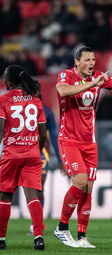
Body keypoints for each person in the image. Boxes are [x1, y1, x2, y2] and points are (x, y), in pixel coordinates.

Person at [53, 46, 112, 248]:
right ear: (77, 62)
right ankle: (62, 228)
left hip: (89, 142)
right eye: (87, 60)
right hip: (69, 139)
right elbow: (63, 91)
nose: (92, 63)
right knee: (80, 182)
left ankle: (82, 237)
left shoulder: (99, 77)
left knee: (88, 188)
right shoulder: (66, 75)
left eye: (93, 59)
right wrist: (92, 83)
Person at [0, 65, 47, 250]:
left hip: (12, 154)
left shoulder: (3, 100)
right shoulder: (36, 101)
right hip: (33, 154)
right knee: (33, 196)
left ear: (9, 82)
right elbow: (43, 135)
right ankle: (39, 237)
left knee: (5, 195)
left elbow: (1, 131)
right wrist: (35, 149)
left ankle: (1, 239)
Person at [27, 80, 65, 235]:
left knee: (39, 186)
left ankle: (35, 224)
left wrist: (61, 159)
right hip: (21, 151)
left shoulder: (46, 111)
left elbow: (55, 136)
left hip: (42, 153)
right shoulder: (22, 109)